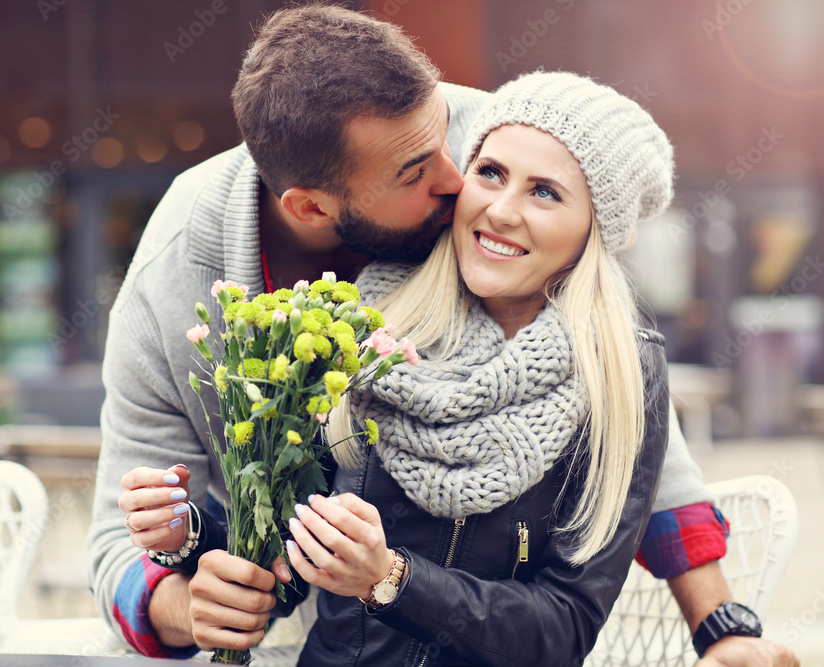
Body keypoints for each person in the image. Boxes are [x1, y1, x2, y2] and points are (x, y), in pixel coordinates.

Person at [91, 5, 798, 666]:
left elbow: (616, 394)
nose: (466, 185)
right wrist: (184, 587)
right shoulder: (187, 281)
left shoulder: (478, 130)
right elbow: (248, 531)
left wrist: (718, 621)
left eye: (540, 190)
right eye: (424, 170)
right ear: (311, 207)